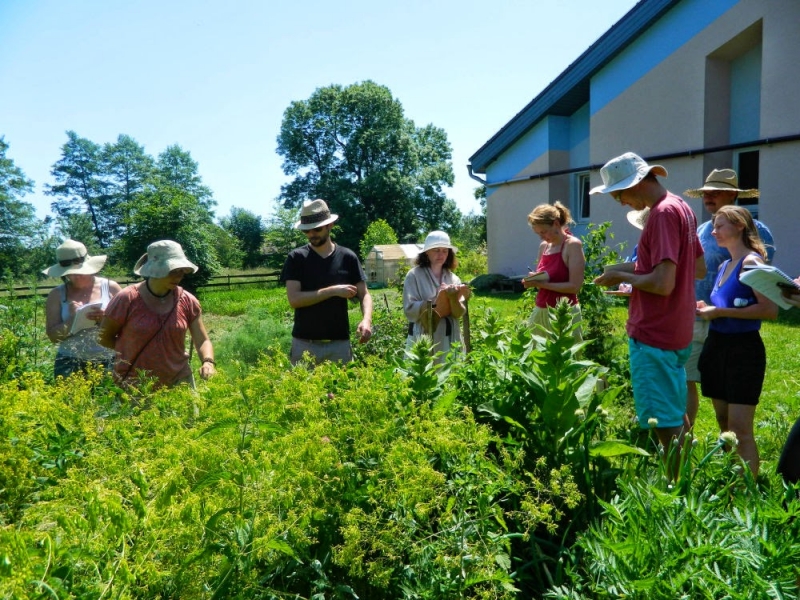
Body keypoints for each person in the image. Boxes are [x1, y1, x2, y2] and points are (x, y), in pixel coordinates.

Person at [591, 152, 705, 467]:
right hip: (678, 327)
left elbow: (664, 282)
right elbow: (696, 267)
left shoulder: (662, 214)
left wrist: (621, 276)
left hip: (655, 332)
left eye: (619, 194)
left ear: (637, 183)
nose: (620, 202)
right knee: (674, 412)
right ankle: (684, 480)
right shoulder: (681, 207)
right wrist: (626, 267)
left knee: (665, 426)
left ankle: (674, 489)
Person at [683, 168, 774, 426]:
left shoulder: (758, 233)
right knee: (688, 379)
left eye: (715, 192)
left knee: (735, 411)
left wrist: (722, 310)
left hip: (734, 328)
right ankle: (684, 442)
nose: (708, 198)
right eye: (705, 193)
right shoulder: (703, 230)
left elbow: (763, 286)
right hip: (702, 320)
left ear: (732, 194)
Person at [695, 205, 778, 478]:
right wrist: (707, 308)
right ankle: (733, 479)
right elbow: (728, 305)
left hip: (743, 350)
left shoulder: (751, 263)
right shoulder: (723, 265)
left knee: (740, 428)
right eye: (714, 226)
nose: (714, 231)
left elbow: (769, 310)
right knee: (723, 423)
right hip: (717, 345)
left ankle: (749, 491)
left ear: (739, 225)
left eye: (720, 226)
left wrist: (719, 312)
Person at [98, 240, 216, 389]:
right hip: (137, 384)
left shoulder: (187, 301)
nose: (178, 276)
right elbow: (103, 337)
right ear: (154, 270)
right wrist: (128, 351)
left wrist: (208, 362)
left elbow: (202, 340)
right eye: (172, 270)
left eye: (181, 271)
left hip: (179, 381)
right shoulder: (126, 299)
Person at [282, 199, 373, 365]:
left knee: (342, 390)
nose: (311, 234)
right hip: (304, 343)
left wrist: (366, 320)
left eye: (316, 229)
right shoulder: (296, 258)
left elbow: (364, 294)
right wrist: (332, 291)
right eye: (306, 231)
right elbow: (294, 299)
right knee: (302, 391)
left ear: (330, 225)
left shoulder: (348, 257)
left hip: (339, 343)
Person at [44, 239, 122, 379]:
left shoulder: (111, 287)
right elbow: (53, 337)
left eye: (79, 270)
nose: (76, 275)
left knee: (108, 400)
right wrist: (73, 318)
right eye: (70, 272)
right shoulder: (56, 295)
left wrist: (105, 319)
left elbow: (128, 327)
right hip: (69, 361)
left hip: (108, 359)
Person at [403, 230, 471, 362]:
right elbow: (409, 309)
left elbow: (458, 313)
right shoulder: (414, 275)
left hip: (449, 334)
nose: (441, 254)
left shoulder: (453, 278)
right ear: (426, 252)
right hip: (425, 334)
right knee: (424, 373)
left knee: (450, 373)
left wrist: (452, 298)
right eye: (436, 250)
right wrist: (436, 300)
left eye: (445, 251)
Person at [522, 201, 585, 338]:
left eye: (544, 232)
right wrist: (533, 280)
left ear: (556, 224)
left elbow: (574, 286)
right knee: (534, 356)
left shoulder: (572, 245)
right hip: (541, 310)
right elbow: (543, 280)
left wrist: (542, 284)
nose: (541, 237)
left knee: (565, 357)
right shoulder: (544, 246)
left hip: (565, 313)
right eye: (538, 234)